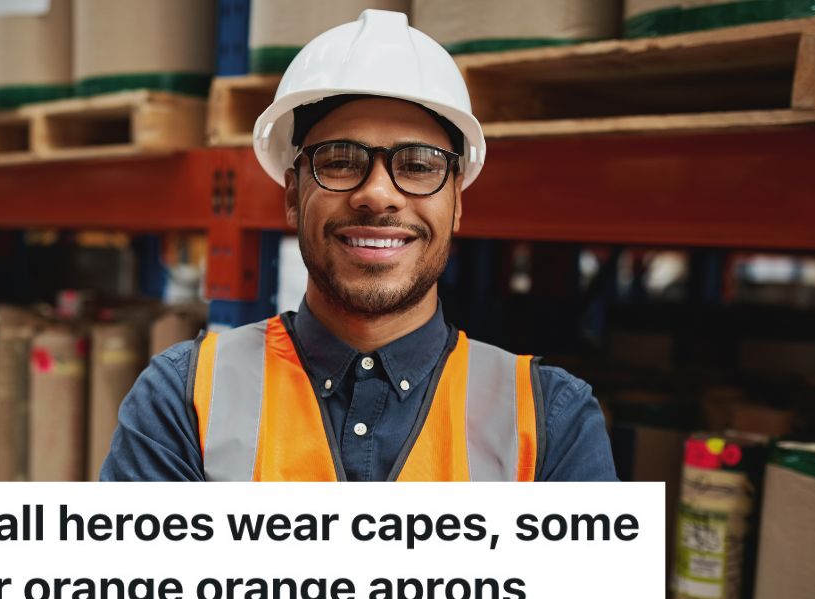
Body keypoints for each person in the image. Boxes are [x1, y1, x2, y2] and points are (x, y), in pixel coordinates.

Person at [101, 10, 616, 481]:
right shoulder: (185, 400)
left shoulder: (550, 420)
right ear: (293, 196)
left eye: (418, 164)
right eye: (341, 161)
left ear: (457, 202)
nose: (378, 194)